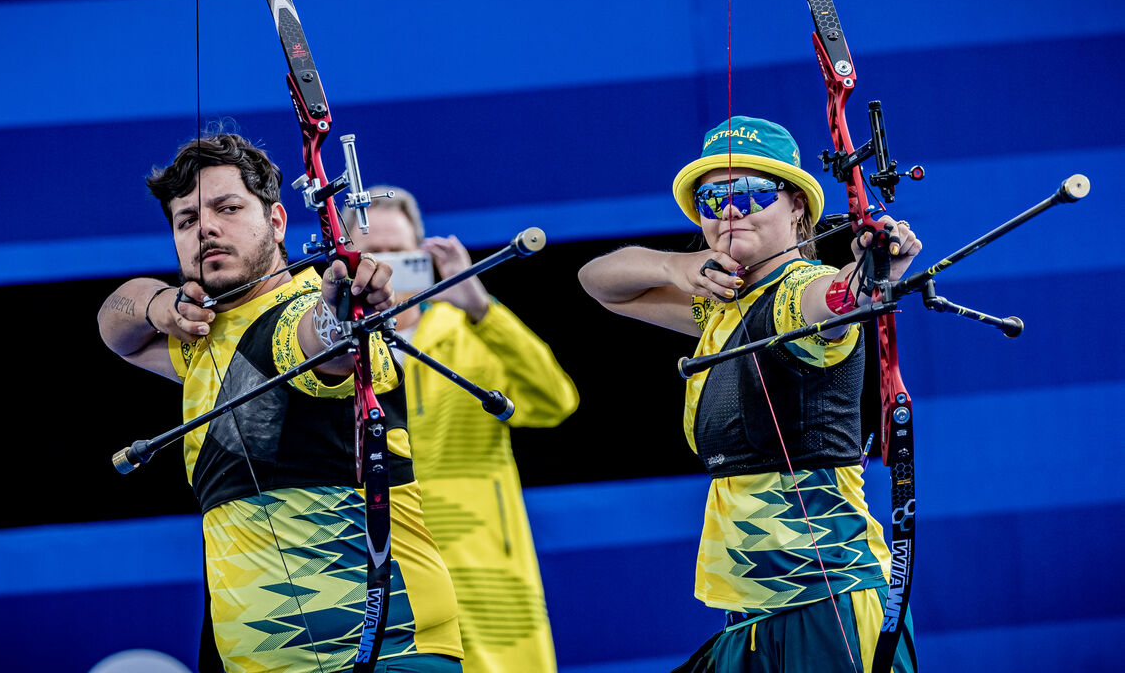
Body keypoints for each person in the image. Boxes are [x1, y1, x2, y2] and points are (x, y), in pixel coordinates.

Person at [97, 133, 464, 672]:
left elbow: (321, 343)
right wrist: (158, 305)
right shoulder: (200, 339)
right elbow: (114, 323)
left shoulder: (292, 317)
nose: (207, 229)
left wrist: (340, 310)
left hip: (383, 654)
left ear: (276, 221)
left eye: (227, 208)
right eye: (186, 220)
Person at [578, 116, 919, 672]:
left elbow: (836, 301)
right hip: (753, 616)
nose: (730, 209)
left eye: (752, 193)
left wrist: (872, 270)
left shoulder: (799, 292)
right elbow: (599, 283)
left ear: (797, 209)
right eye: (713, 198)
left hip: (824, 603)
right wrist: (677, 265)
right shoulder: (717, 305)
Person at [345, 188, 578, 673]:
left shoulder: (470, 330)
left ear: (422, 253)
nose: (385, 264)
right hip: (380, 558)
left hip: (481, 559)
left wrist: (481, 309)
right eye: (371, 253)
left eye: (398, 250)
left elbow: (555, 401)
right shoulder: (330, 353)